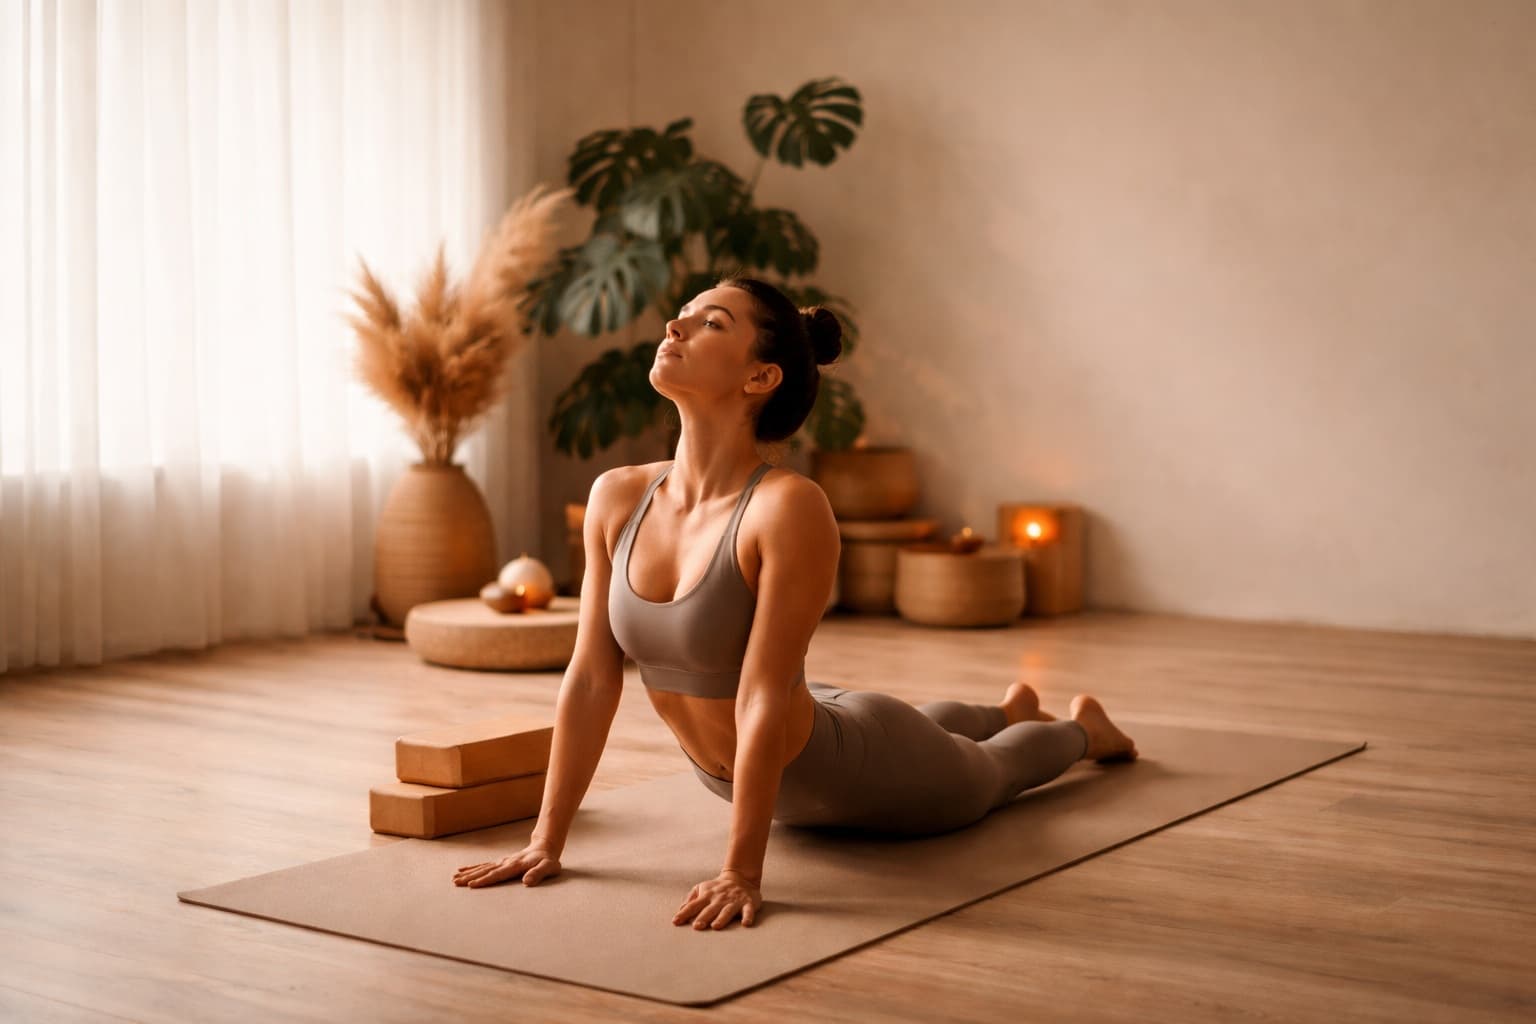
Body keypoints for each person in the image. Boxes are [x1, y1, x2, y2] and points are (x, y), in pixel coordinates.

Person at [452, 276, 1138, 930]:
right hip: (771, 747)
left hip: (848, 768)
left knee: (987, 774)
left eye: (711, 321)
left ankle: (1084, 730)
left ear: (761, 377)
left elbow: (761, 696)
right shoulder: (617, 495)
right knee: (928, 730)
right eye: (686, 311)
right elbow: (592, 677)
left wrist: (741, 872)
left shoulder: (785, 507)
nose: (676, 323)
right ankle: (1004, 708)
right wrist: (547, 841)